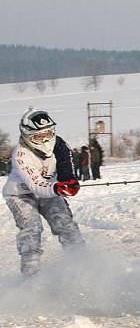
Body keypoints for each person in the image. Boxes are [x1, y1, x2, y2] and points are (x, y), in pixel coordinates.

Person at [2, 107, 83, 276]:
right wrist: (57, 187)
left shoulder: (59, 145)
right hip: (20, 195)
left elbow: (66, 165)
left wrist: (70, 182)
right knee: (32, 228)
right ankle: (31, 275)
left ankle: (81, 262)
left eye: (49, 133)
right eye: (39, 136)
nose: (46, 139)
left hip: (50, 190)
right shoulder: (21, 154)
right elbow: (36, 185)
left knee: (65, 224)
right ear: (28, 136)